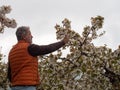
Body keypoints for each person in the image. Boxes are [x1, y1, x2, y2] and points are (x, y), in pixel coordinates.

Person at [7, 26, 69, 90]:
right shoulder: (29, 48)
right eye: (30, 34)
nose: (32, 36)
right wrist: (62, 42)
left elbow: (9, 74)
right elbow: (47, 49)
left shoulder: (11, 51)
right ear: (24, 36)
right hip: (27, 87)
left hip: (14, 87)